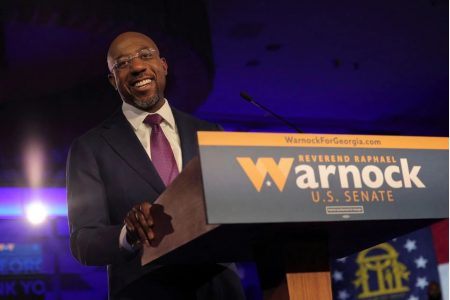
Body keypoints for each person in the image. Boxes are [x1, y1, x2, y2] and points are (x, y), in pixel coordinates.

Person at [66, 32, 246, 300]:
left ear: (164, 65)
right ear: (112, 81)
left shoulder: (212, 134)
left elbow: (236, 211)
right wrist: (129, 233)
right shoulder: (90, 148)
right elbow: (83, 241)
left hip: (218, 290)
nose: (138, 67)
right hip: (144, 291)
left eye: (145, 55)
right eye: (123, 63)